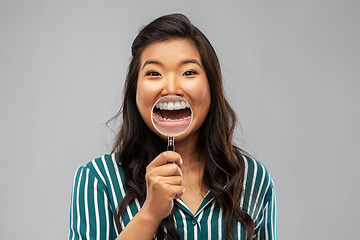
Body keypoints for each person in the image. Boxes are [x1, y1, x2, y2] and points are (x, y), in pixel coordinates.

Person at [69, 13, 276, 240]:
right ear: (134, 91)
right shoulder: (98, 179)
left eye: (188, 72)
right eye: (154, 73)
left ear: (211, 87)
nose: (171, 87)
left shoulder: (254, 179)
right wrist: (149, 214)